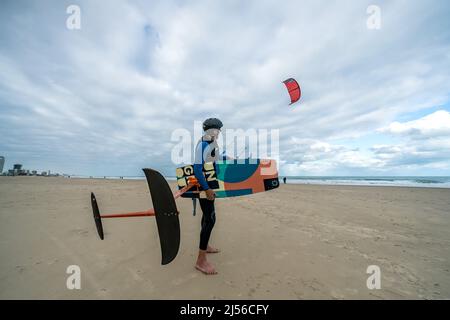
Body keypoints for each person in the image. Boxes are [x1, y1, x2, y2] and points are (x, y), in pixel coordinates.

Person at [193, 118, 226, 275]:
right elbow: (197, 169)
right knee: (210, 220)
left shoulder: (210, 144)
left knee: (207, 218)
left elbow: (215, 160)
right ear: (211, 130)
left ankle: (205, 247)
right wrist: (206, 189)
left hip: (208, 186)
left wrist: (230, 159)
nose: (219, 133)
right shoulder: (203, 144)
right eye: (218, 130)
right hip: (204, 187)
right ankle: (201, 261)